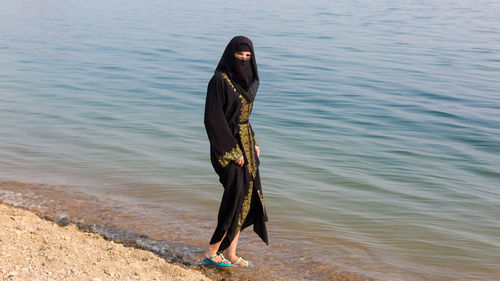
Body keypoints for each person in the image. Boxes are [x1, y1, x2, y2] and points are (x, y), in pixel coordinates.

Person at [203, 36, 268, 268]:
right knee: (234, 195)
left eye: (248, 56)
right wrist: (232, 151)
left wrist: (254, 142)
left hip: (246, 145)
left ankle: (230, 253)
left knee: (246, 199)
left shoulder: (246, 81)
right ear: (231, 54)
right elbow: (213, 119)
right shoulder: (218, 81)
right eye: (239, 54)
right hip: (225, 148)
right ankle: (212, 251)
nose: (243, 59)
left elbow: (243, 119)